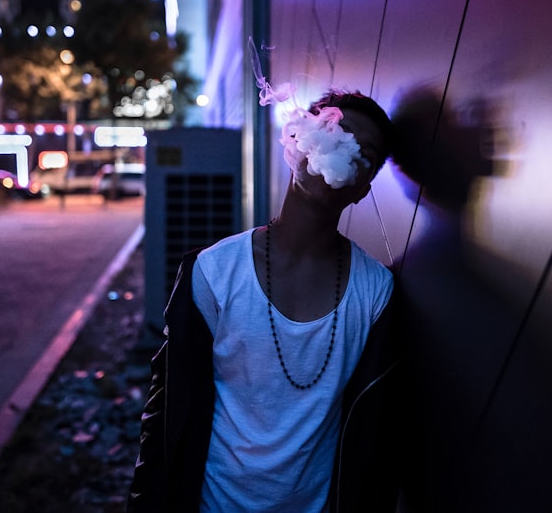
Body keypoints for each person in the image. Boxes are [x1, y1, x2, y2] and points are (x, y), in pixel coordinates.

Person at [127, 89, 403, 512]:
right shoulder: (213, 272)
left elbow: (376, 438)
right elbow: (166, 415)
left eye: (362, 154)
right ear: (297, 140)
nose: (342, 151)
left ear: (363, 190)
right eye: (333, 131)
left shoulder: (376, 293)